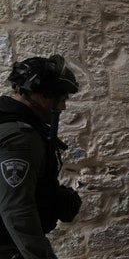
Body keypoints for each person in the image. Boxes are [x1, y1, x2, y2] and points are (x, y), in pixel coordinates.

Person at [0, 55, 83, 259]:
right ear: (42, 95)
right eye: (61, 99)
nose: (63, 107)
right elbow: (18, 209)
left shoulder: (9, 119)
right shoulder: (20, 138)